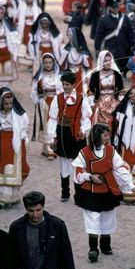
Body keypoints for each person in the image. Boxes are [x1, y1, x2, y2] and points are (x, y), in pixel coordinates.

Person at [72, 123, 135, 263]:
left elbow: (119, 168)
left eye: (108, 135)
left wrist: (131, 185)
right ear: (97, 136)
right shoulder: (85, 152)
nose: (108, 138)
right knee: (93, 218)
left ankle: (105, 245)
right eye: (105, 135)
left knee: (108, 216)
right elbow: (78, 172)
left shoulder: (111, 151)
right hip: (91, 192)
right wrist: (90, 176)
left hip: (107, 189)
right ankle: (93, 249)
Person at [7, 191, 77, 269]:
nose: (35, 215)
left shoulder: (57, 226)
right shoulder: (17, 228)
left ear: (43, 207)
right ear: (26, 209)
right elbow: (11, 261)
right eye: (31, 211)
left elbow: (67, 257)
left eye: (38, 210)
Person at [47, 70, 92, 202]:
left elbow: (86, 118)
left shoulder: (81, 99)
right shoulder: (58, 98)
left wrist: (84, 130)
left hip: (77, 136)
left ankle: (79, 194)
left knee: (78, 164)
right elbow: (53, 118)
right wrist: (52, 136)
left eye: (67, 84)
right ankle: (65, 192)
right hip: (62, 135)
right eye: (63, 84)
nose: (65, 86)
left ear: (73, 85)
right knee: (63, 164)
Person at [0, 87, 30, 205]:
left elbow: (25, 127)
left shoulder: (19, 115)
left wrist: (22, 135)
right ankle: (1, 198)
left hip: (14, 145)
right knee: (0, 170)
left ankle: (13, 196)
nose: (9, 106)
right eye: (6, 103)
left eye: (11, 103)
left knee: (15, 170)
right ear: (1, 102)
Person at [113, 87, 135, 187]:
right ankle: (123, 191)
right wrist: (116, 136)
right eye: (131, 93)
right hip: (123, 143)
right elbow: (116, 123)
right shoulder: (122, 107)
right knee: (123, 165)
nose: (132, 96)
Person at [31, 53, 63, 160]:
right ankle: (48, 149)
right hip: (45, 103)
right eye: (46, 63)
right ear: (42, 63)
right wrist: (38, 101)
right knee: (46, 124)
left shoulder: (59, 75)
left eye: (50, 62)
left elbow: (63, 89)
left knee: (55, 123)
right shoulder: (39, 76)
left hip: (56, 102)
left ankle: (51, 147)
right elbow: (34, 91)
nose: (48, 65)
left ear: (53, 63)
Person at [94, 0, 135, 74]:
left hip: (123, 48)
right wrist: (97, 48)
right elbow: (99, 35)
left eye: (117, 6)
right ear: (110, 7)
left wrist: (132, 45)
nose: (116, 8)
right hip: (110, 48)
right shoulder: (104, 20)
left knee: (122, 67)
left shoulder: (125, 18)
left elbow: (130, 32)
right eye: (113, 7)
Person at [87, 50, 124, 127]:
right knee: (100, 127)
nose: (108, 63)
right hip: (99, 105)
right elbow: (90, 91)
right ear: (101, 61)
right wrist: (92, 104)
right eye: (105, 61)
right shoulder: (95, 75)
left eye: (109, 60)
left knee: (113, 126)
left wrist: (121, 103)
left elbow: (121, 91)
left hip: (114, 105)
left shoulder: (117, 75)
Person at [59, 27, 93, 94]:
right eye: (69, 36)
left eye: (71, 36)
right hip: (69, 76)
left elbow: (88, 67)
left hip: (81, 77)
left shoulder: (83, 52)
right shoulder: (66, 51)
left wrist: (87, 77)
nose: (70, 38)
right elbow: (61, 66)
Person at [15, 0, 41, 67]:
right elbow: (16, 17)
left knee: (34, 44)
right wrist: (18, 24)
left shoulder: (37, 8)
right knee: (26, 44)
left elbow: (40, 18)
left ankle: (34, 62)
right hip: (25, 28)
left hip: (34, 28)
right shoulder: (21, 7)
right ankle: (29, 62)